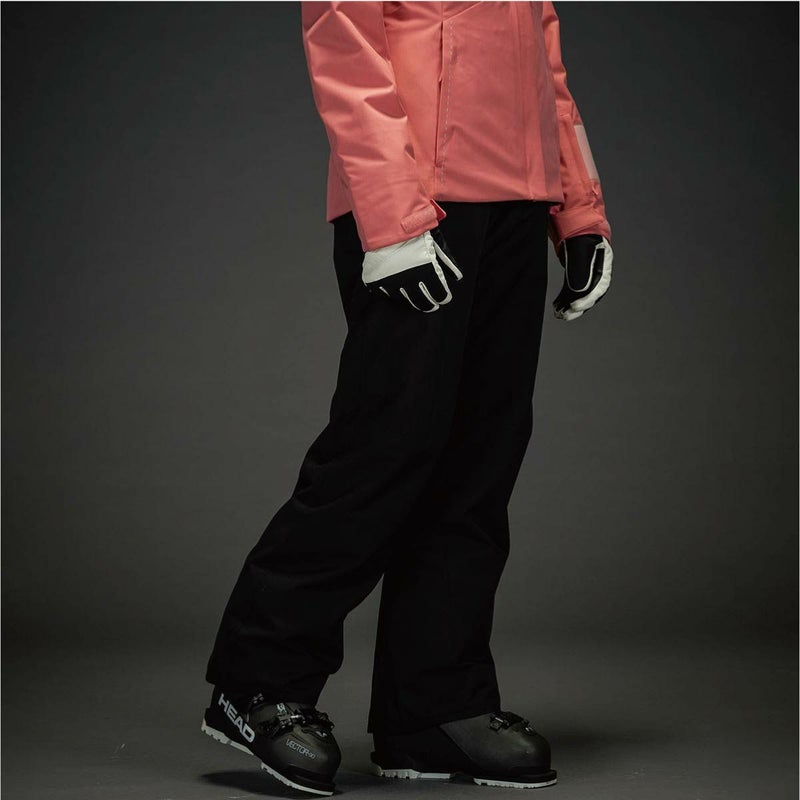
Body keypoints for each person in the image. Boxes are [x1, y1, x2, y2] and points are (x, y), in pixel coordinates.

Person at [200, 1, 613, 795]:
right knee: (386, 447)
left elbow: (543, 59)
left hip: (519, 197)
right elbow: (345, 43)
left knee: (480, 459)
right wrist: (392, 221)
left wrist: (578, 209)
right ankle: (257, 681)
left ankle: (433, 708)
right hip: (418, 201)